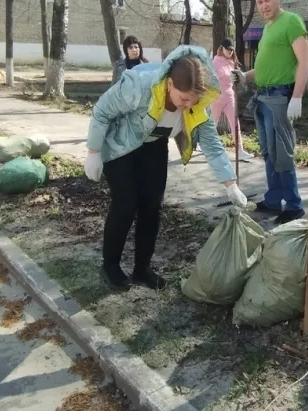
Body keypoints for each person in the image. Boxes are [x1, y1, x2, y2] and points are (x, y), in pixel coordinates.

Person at [84, 45, 248, 291]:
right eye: (183, 99)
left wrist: (230, 184)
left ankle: (142, 269)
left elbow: (212, 144)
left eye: (191, 102)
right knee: (126, 204)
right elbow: (102, 112)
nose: (186, 106)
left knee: (152, 206)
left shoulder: (195, 101)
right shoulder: (139, 85)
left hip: (153, 145)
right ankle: (110, 266)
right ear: (169, 84)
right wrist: (94, 152)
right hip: (120, 144)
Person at [231, 0, 308, 225]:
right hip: (263, 97)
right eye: (260, 2)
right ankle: (274, 200)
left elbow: (304, 62)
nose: (264, 5)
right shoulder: (268, 28)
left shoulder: (292, 21)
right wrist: (246, 76)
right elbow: (266, 67)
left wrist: (296, 96)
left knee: (282, 154)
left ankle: (294, 205)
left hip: (279, 98)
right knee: (268, 153)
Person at [211, 38, 253, 162]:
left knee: (235, 123)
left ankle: (239, 150)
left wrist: (238, 77)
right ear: (221, 48)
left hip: (230, 96)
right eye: (227, 49)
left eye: (231, 50)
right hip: (217, 97)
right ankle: (207, 145)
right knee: (213, 123)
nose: (230, 52)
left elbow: (236, 78)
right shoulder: (215, 61)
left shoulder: (231, 62)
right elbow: (213, 77)